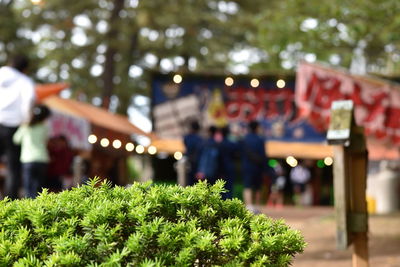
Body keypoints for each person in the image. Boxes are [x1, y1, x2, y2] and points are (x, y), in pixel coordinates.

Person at [0, 54, 36, 199]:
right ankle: (9, 205)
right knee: (13, 168)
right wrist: (26, 121)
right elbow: (29, 101)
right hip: (13, 127)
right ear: (25, 69)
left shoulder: (1, 72)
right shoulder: (25, 81)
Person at [13, 104, 51, 198]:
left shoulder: (25, 127)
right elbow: (46, 141)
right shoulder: (45, 127)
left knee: (28, 187)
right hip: (42, 158)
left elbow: (16, 140)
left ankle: (29, 209)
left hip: (28, 159)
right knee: (39, 188)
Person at [241, 120, 267, 212]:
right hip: (258, 167)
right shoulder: (260, 139)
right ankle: (257, 206)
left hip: (247, 166)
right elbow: (263, 155)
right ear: (257, 128)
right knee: (257, 187)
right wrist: (265, 168)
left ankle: (248, 206)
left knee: (247, 186)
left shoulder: (245, 139)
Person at [219, 125, 239, 199]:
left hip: (220, 168)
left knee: (221, 187)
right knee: (230, 187)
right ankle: (229, 201)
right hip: (230, 166)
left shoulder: (219, 144)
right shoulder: (231, 144)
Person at [183, 120, 203, 186]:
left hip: (189, 161)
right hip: (198, 162)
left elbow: (186, 145)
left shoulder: (187, 137)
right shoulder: (200, 139)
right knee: (197, 183)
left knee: (189, 182)